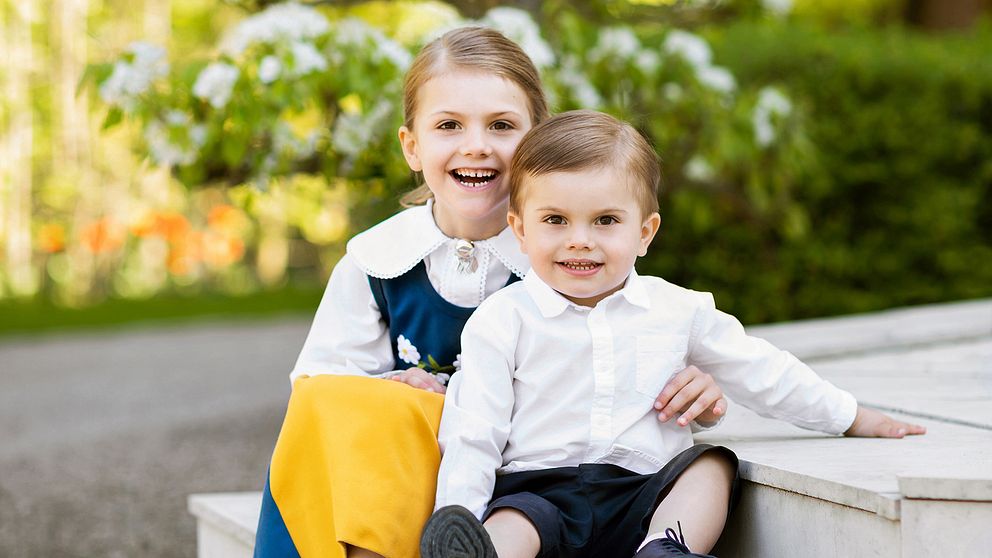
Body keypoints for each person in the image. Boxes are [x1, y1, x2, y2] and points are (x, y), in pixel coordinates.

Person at [253, 29, 732, 558]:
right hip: (412, 467)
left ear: (535, 143)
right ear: (413, 147)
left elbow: (630, 334)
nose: (475, 144)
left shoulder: (569, 254)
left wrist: (689, 381)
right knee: (348, 405)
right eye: (449, 125)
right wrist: (392, 386)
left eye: (501, 125)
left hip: (531, 475)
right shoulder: (376, 260)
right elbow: (320, 390)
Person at [421, 110, 927, 558]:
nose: (580, 240)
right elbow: (474, 431)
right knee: (512, 523)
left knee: (710, 467)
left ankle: (667, 548)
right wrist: (459, 511)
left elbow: (759, 369)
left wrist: (850, 415)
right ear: (521, 228)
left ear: (645, 232)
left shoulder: (676, 309)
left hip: (643, 491)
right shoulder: (502, 318)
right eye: (555, 220)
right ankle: (474, 553)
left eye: (605, 221)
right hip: (539, 491)